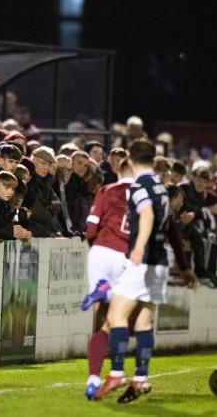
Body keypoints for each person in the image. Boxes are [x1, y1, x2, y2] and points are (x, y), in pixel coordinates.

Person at [101, 139, 170, 403]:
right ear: (153, 160)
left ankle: (117, 372)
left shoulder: (140, 184)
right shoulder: (161, 184)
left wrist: (139, 247)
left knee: (116, 316)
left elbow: (148, 214)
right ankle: (140, 377)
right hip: (160, 261)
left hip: (143, 261)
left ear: (129, 160)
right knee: (143, 322)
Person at [81, 157, 135, 400]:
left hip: (100, 253)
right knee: (120, 322)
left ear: (118, 171)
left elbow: (90, 229)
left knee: (101, 319)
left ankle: (93, 378)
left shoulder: (106, 190)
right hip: (124, 258)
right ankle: (115, 373)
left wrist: (97, 248)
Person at [22, 146, 61, 237]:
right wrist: (49, 212)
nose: (46, 167)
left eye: (48, 164)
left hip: (39, 233)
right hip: (29, 233)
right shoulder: (28, 182)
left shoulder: (47, 182)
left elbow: (58, 204)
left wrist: (46, 207)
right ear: (33, 160)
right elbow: (35, 210)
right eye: (43, 163)